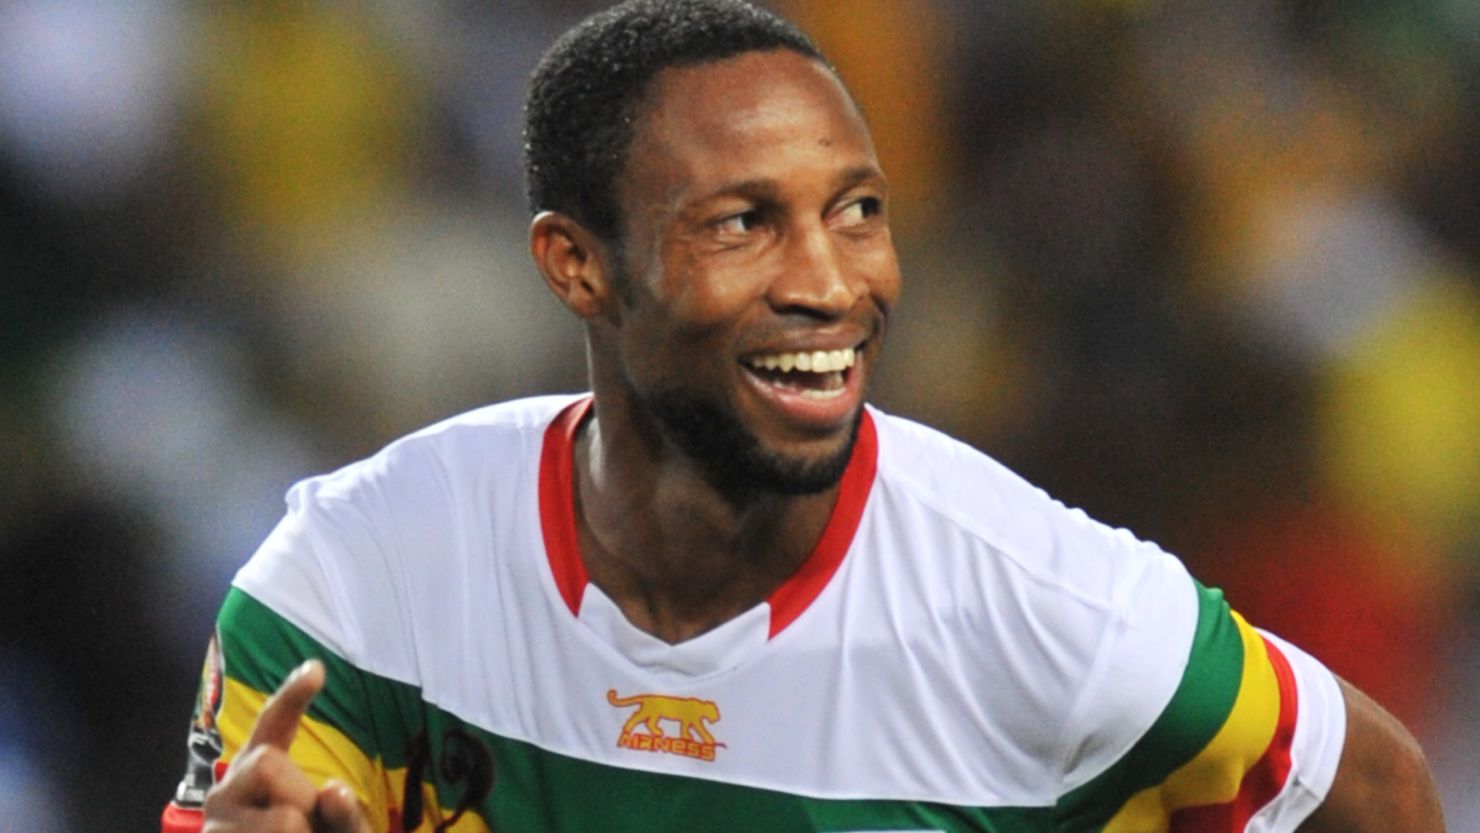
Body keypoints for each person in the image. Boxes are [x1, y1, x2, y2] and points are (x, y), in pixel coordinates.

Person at [163, 1, 1445, 831]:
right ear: (576, 265)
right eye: (742, 221)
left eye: (858, 211)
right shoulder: (359, 577)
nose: (833, 284)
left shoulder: (1040, 601)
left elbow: (1376, 793)